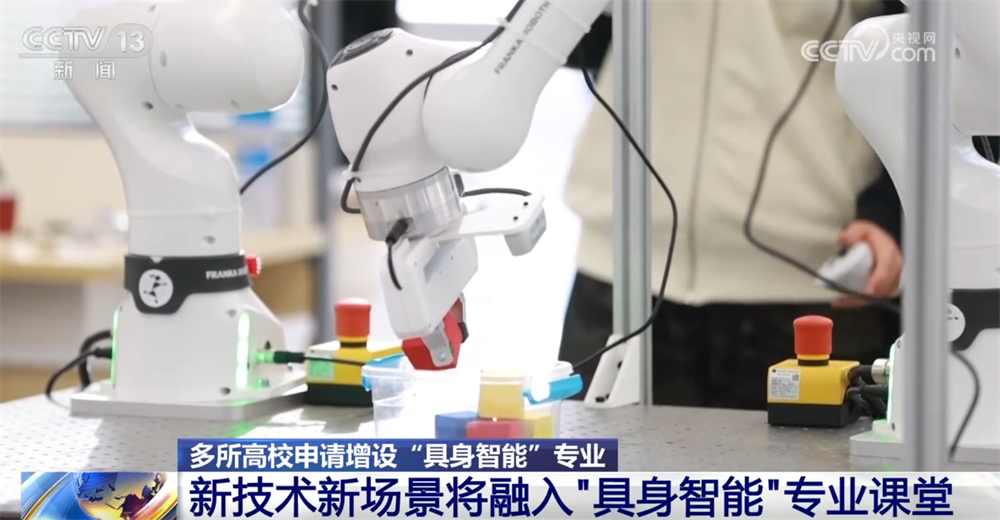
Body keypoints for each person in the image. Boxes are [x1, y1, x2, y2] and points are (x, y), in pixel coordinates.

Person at [558, 0, 909, 410]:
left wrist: (891, 212)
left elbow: (941, 62)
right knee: (589, 454)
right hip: (620, 274)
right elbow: (575, 44)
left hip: (817, 283)